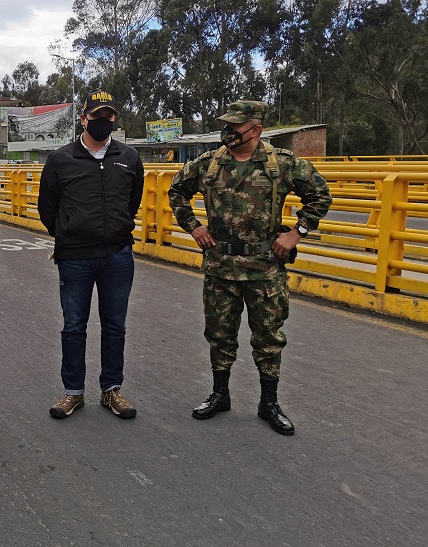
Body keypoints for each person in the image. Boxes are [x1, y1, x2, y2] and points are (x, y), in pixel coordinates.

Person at [168, 100, 332, 435]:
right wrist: (193, 227)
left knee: (268, 337)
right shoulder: (209, 163)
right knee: (219, 335)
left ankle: (268, 403)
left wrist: (296, 233)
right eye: (226, 126)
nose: (227, 132)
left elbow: (320, 195)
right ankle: (220, 394)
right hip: (220, 266)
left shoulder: (281, 164)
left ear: (255, 129)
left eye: (235, 127)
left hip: (265, 268)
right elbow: (177, 191)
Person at [38, 91, 145, 420]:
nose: (103, 121)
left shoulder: (129, 157)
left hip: (118, 255)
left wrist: (115, 229)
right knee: (73, 326)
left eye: (108, 116)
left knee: (115, 327)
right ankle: (73, 392)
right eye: (96, 115)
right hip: (75, 257)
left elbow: (132, 202)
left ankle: (111, 390)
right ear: (83, 119)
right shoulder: (60, 159)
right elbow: (47, 208)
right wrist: (68, 233)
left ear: (114, 119)